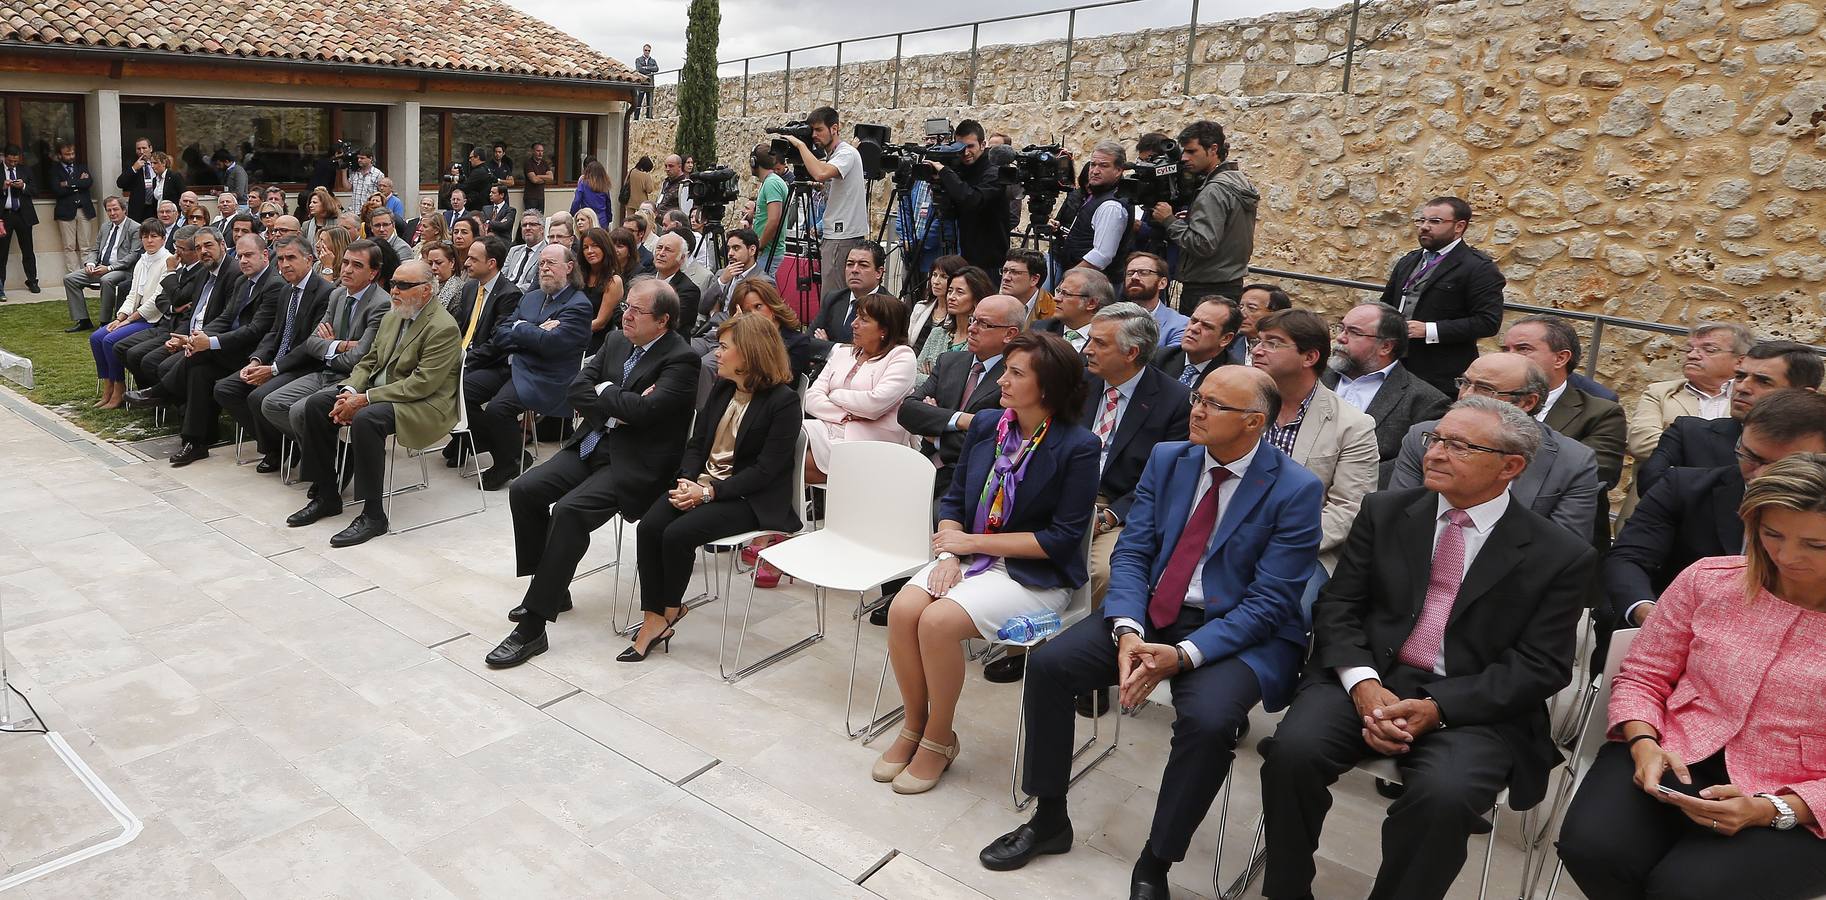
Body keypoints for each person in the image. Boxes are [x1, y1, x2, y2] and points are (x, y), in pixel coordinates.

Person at [981, 365, 1322, 896]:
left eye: (1215, 405)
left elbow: (1271, 602)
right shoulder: (1171, 458)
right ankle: (1049, 819)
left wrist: (1184, 654)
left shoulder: (1296, 489)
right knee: (1049, 666)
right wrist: (1126, 630)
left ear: (1255, 423)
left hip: (1233, 631)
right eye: (1198, 398)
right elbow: (1135, 551)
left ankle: (1155, 861)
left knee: (1209, 723)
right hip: (1150, 611)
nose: (1197, 411)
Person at [1259, 395, 1597, 900]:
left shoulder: (1559, 554)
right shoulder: (1386, 511)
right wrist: (1364, 685)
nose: (1435, 452)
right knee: (1292, 753)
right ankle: (1286, 889)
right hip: (1369, 676)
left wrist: (1438, 708)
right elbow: (1340, 606)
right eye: (1435, 438)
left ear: (1511, 466)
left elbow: (1540, 666)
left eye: (1459, 445)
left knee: (1444, 798)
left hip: (1473, 705)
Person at [1559, 453, 1826, 900]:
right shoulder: (1709, 580)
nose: (1786, 555)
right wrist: (1643, 742)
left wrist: (1776, 808)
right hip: (1671, 747)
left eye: (1815, 544)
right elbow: (1644, 675)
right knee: (1592, 848)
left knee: (1688, 889)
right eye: (1772, 533)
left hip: (1801, 794)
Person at [876, 331, 1100, 794]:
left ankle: (939, 738)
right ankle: (914, 727)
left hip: (1032, 575)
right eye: (1007, 369)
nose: (1003, 379)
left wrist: (971, 544)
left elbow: (1060, 540)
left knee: (937, 623)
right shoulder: (988, 425)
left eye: (1017, 373)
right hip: (969, 553)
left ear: (1049, 386)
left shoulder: (1077, 446)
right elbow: (955, 497)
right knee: (903, 610)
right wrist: (948, 551)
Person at [484, 277, 701, 666]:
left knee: (568, 512)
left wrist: (604, 393)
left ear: (664, 321)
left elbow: (646, 414)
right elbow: (577, 388)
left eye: (637, 310)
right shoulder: (617, 340)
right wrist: (616, 398)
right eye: (626, 307)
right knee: (525, 490)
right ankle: (550, 587)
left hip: (636, 462)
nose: (626, 315)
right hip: (592, 444)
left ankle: (533, 627)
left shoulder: (681, 360)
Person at [620, 314, 804, 661]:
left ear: (749, 353)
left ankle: (667, 612)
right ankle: (653, 616)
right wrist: (688, 480)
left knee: (677, 534)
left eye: (723, 347)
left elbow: (766, 471)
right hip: (703, 484)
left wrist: (709, 493)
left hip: (749, 497)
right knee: (650, 527)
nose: (716, 354)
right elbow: (697, 443)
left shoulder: (783, 402)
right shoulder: (722, 388)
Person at [1600, 388, 1826, 637]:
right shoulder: (1683, 488)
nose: (1760, 475)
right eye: (1750, 457)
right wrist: (1653, 616)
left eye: (1784, 465)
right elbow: (1629, 559)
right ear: (1739, 441)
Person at [286, 259, 461, 547]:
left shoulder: (443, 327)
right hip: (377, 391)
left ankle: (374, 515)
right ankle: (327, 495)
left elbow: (422, 384)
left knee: (368, 419)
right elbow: (369, 360)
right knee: (317, 404)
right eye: (393, 283)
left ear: (427, 291)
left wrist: (364, 399)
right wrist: (350, 389)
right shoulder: (394, 315)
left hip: (424, 404)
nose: (394, 290)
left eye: (404, 285)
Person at [1390, 352, 1603, 542]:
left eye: (1485, 389)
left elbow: (1560, 551)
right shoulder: (1423, 437)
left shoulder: (1573, 461)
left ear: (1526, 403)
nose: (1465, 395)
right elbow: (1398, 520)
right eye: (1464, 383)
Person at [1252, 308, 1379, 610]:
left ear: (1309, 357)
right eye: (1258, 341)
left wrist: (1281, 543)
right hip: (1225, 530)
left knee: (1285, 608)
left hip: (1304, 548)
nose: (1257, 350)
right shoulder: (1240, 403)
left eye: (1272, 343)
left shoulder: (1352, 425)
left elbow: (1349, 508)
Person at [1076, 301, 1193, 619]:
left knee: (1104, 572)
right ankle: (1022, 643)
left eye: (1100, 343)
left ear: (1132, 352)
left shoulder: (1175, 402)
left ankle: (1073, 648)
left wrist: (1112, 515)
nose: (1088, 349)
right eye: (1090, 339)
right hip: (1065, 492)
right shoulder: (1079, 382)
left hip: (1117, 507)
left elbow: (1166, 477)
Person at [465, 244, 594, 491]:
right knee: (461, 390)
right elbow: (500, 332)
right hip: (513, 364)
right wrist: (532, 330)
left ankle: (505, 462)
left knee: (497, 409)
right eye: (542, 263)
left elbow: (550, 344)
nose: (544, 268)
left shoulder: (579, 305)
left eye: (550, 263)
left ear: (569, 267)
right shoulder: (532, 297)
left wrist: (521, 328)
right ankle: (511, 453)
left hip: (545, 375)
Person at [151, 234, 287, 467]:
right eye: (240, 255)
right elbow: (225, 318)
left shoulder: (274, 285)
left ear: (265, 256)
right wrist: (198, 337)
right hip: (232, 350)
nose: (243, 260)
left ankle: (163, 391)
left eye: (249, 255)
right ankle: (195, 443)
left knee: (203, 361)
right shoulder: (244, 281)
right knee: (198, 369)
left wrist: (210, 343)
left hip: (255, 354)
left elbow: (255, 331)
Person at [1637, 340, 1824, 499]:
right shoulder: (1688, 433)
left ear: (1802, 394)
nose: (1742, 387)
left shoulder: (1819, 450)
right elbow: (1651, 489)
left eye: (1763, 381)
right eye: (1740, 376)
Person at [213, 235, 337, 469]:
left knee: (258, 397)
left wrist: (273, 370)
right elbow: (274, 332)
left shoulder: (325, 293)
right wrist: (256, 360)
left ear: (309, 260)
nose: (284, 264)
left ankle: (280, 449)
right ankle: (279, 444)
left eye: (291, 258)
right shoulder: (286, 290)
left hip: (305, 366)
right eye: (280, 259)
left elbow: (311, 345)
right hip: (276, 360)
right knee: (225, 388)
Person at [258, 239, 393, 455]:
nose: (347, 269)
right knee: (271, 404)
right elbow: (311, 343)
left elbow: (358, 359)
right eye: (346, 262)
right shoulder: (337, 294)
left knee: (299, 411)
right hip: (326, 371)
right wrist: (339, 346)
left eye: (357, 265)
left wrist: (327, 349)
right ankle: (333, 454)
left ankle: (324, 463)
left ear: (373, 273)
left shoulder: (381, 304)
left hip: (354, 379)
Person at [1378, 196, 1506, 397]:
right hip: (1394, 365)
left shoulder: (1479, 268)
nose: (1424, 227)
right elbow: (1386, 304)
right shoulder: (1409, 260)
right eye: (1422, 220)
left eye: (1435, 222)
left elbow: (1487, 322)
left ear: (1459, 226)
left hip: (1440, 373)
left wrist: (1428, 330)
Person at [1323, 301, 1453, 487]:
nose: (1341, 338)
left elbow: (1408, 465)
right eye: (1341, 328)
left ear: (1386, 347)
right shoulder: (1314, 378)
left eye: (1354, 332)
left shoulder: (1425, 401)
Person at [803, 293, 917, 483]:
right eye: (856, 316)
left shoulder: (902, 357)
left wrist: (835, 394)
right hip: (828, 428)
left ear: (884, 330)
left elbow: (873, 405)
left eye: (864, 319)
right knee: (778, 439)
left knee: (788, 462)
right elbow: (811, 397)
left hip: (869, 444)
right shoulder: (843, 353)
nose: (853, 324)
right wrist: (844, 415)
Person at [1149, 120, 1257, 308]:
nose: (1184, 158)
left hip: (1205, 289)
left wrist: (1169, 220)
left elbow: (1203, 243)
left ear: (1213, 149)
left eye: (1192, 151)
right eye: (1184, 151)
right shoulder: (1237, 180)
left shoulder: (1213, 190)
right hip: (1229, 284)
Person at [123, 227, 234, 395]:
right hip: (172, 325)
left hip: (190, 332)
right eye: (176, 248)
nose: (177, 253)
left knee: (152, 361)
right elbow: (162, 298)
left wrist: (170, 271)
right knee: (124, 349)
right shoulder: (188, 268)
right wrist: (173, 307)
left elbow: (177, 297)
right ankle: (154, 397)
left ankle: (163, 398)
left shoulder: (200, 270)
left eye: (182, 249)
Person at [1627, 323, 1750, 463]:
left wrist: (1682, 446)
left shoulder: (1753, 397)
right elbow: (1641, 444)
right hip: (1667, 482)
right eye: (1689, 349)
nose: (1692, 355)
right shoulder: (1659, 393)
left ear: (1740, 361)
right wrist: (1723, 452)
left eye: (1709, 349)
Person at [778, 106, 867, 286]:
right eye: (812, 131)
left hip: (842, 236)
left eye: (819, 130)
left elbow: (820, 173)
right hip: (835, 235)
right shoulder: (835, 155)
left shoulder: (846, 153)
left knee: (833, 297)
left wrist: (801, 145)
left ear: (834, 128)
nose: (814, 136)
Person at [89, 220, 171, 407]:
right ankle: (107, 386)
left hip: (152, 319)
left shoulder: (168, 261)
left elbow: (156, 301)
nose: (149, 240)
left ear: (163, 239)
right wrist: (120, 317)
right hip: (134, 315)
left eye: (154, 236)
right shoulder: (142, 260)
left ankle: (119, 388)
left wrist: (128, 321)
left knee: (110, 340)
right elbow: (133, 294)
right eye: (145, 236)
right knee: (96, 337)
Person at [925, 119, 1010, 273]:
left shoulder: (995, 170)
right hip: (965, 255)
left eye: (970, 146)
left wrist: (945, 173)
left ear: (983, 145)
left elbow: (973, 200)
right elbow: (951, 211)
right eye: (960, 147)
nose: (965, 153)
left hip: (990, 260)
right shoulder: (960, 167)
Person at [1046, 140, 1131, 289]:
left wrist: (1069, 279)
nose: (1095, 170)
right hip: (1082, 279)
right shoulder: (1098, 196)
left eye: (1104, 166)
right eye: (1093, 164)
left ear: (1118, 171)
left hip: (1092, 286)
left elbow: (1102, 255)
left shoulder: (1111, 205)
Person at [62, 196, 140, 330]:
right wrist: (90, 264)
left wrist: (109, 268)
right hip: (100, 267)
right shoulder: (105, 226)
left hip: (123, 270)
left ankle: (105, 322)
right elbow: (95, 249)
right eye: (109, 210)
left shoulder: (135, 228)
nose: (112, 213)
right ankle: (83, 320)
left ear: (124, 210)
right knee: (70, 279)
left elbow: (133, 256)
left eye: (115, 209)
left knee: (106, 279)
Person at [916, 266, 994, 389]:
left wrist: (934, 377)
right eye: (950, 291)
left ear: (976, 298)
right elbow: (914, 375)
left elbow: (963, 384)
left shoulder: (980, 340)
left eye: (960, 292)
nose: (951, 297)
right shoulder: (937, 333)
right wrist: (939, 380)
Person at [810, 242, 892, 359]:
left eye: (863, 265)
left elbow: (879, 353)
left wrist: (828, 347)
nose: (854, 270)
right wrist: (838, 348)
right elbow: (808, 341)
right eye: (850, 264)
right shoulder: (833, 299)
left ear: (878, 272)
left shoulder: (889, 307)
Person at [1154, 296, 1241, 388]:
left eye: (1206, 326)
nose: (1193, 328)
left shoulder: (1234, 378)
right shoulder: (1159, 358)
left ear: (1225, 338)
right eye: (1193, 321)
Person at [699, 227, 763, 337]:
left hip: (737, 338)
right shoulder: (722, 274)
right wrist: (722, 281)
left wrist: (716, 315)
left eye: (736, 248)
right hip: (710, 333)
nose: (730, 254)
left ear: (752, 250)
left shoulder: (763, 281)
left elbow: (753, 320)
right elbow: (702, 307)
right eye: (729, 249)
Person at [1032, 268, 1112, 354]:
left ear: (1091, 303)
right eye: (1058, 291)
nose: (1056, 298)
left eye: (1066, 294)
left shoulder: (1108, 339)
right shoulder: (1040, 329)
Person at [1120, 252, 1187, 348]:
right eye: (1130, 273)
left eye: (1144, 272)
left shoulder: (1179, 325)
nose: (1134, 277)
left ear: (1162, 283)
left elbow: (1168, 361)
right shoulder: (1112, 318)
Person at [49, 141, 96, 277]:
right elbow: (57, 190)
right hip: (65, 211)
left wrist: (68, 183)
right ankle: (74, 276)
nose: (70, 156)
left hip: (84, 209)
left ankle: (88, 274)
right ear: (59, 155)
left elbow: (88, 183)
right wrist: (78, 183)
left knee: (85, 246)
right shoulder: (54, 170)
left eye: (72, 153)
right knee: (69, 246)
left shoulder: (82, 167)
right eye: (67, 154)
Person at [577, 227, 626, 352]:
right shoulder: (579, 275)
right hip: (574, 329)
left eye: (595, 246)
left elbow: (600, 323)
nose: (590, 251)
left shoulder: (613, 281)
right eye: (585, 247)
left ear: (605, 247)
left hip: (595, 340)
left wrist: (570, 330)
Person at [0, 145, 40, 298]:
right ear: (5, 157)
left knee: (28, 250)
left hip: (23, 215)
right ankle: (1, 285)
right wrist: (2, 187)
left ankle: (32, 281)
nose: (13, 164)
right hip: (4, 216)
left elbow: (34, 190)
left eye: (16, 161)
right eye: (10, 161)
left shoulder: (25, 170)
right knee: (2, 252)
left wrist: (23, 186)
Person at [910, 255, 967, 354]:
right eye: (934, 275)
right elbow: (909, 340)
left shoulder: (960, 313)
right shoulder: (921, 307)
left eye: (944, 277)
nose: (936, 282)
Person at [651, 231, 701, 335]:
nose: (661, 253)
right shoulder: (644, 278)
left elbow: (671, 324)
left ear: (682, 258)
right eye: (659, 248)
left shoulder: (688, 290)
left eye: (668, 250)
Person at [117, 146, 184, 224]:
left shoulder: (174, 176)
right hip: (157, 216)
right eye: (151, 163)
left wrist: (179, 213)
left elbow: (183, 195)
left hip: (171, 216)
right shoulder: (155, 180)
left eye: (155, 163)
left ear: (164, 163)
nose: (152, 166)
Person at [749, 145, 788, 275]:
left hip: (768, 252)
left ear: (754, 162)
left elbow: (773, 220)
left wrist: (760, 246)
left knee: (763, 292)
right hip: (766, 252)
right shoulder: (770, 182)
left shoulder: (772, 183)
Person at [1234, 283, 1292, 364]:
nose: (1242, 314)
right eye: (1240, 307)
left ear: (1275, 314)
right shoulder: (1229, 344)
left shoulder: (1288, 349)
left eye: (1252, 308)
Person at [1000, 250, 1054, 325]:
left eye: (1015, 272)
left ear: (1034, 279)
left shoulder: (1053, 313)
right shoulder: (995, 305)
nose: (1006, 278)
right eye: (1005, 271)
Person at [503, 211, 545, 290]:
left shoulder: (546, 252)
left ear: (542, 229)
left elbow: (536, 284)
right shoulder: (514, 250)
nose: (528, 228)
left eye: (532, 224)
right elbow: (502, 275)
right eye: (524, 225)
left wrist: (511, 292)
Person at [571, 157, 613, 228]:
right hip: (602, 219)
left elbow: (577, 200)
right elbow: (608, 203)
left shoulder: (583, 183)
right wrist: (609, 218)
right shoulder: (604, 184)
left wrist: (572, 213)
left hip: (588, 218)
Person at [522, 142, 553, 213]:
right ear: (533, 151)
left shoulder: (544, 163)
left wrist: (538, 176)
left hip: (541, 197)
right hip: (530, 197)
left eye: (542, 151)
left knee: (540, 220)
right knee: (531, 218)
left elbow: (551, 178)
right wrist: (545, 179)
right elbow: (534, 180)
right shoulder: (528, 163)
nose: (540, 153)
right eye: (538, 151)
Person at [634, 44, 659, 118]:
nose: (647, 52)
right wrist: (650, 68)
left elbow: (657, 69)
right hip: (641, 83)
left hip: (650, 83)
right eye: (646, 50)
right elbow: (639, 69)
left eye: (649, 51)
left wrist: (646, 68)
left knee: (649, 102)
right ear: (643, 50)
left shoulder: (653, 60)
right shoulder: (638, 60)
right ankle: (636, 118)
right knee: (638, 101)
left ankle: (649, 117)